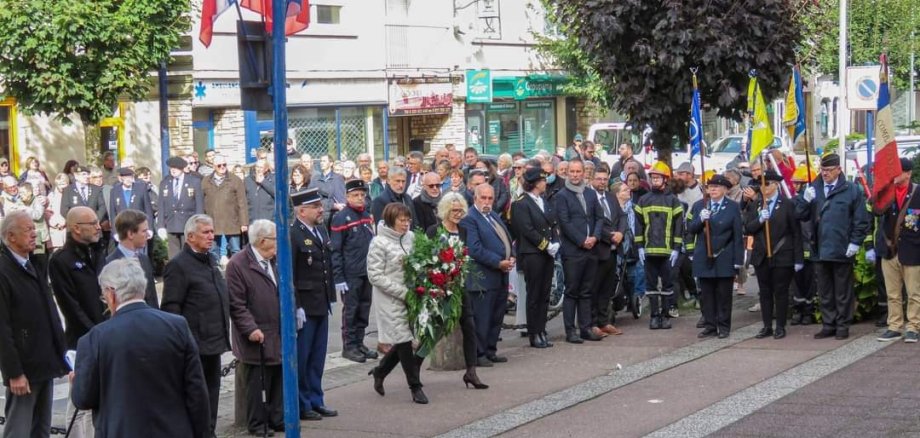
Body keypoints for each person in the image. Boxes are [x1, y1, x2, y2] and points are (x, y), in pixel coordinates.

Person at [71, 258, 210, 438]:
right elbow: (196, 391)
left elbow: (83, 398)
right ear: (142, 289)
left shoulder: (95, 338)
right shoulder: (177, 326)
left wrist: (75, 382)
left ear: (111, 294)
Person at [0, 210, 69, 438]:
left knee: (41, 428)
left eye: (34, 228)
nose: (34, 234)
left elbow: (49, 314)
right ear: (10, 236)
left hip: (45, 361)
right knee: (19, 430)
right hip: (25, 368)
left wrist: (62, 355)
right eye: (28, 229)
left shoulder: (33, 264)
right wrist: (14, 372)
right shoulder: (4, 271)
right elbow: (2, 328)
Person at [161, 214, 231, 435]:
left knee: (212, 392)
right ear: (190, 236)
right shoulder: (178, 266)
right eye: (206, 232)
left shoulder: (209, 260)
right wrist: (183, 342)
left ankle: (209, 431)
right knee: (196, 396)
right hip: (194, 344)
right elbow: (171, 308)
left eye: (212, 231)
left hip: (214, 341)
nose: (212, 236)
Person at [795, 153, 869, 340]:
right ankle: (829, 324)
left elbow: (861, 220)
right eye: (822, 170)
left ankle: (843, 325)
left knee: (843, 291)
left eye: (828, 170)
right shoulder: (814, 188)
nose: (825, 173)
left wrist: (855, 242)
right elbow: (800, 216)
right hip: (819, 247)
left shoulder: (851, 190)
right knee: (825, 291)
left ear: (839, 169)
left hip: (842, 247)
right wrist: (805, 200)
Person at [226, 220, 286, 434]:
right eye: (275, 240)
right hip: (256, 335)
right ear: (262, 241)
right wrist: (250, 328)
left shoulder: (274, 260)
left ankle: (277, 418)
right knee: (258, 383)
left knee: (278, 376)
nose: (278, 244)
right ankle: (258, 424)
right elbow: (236, 304)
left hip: (276, 330)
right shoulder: (238, 264)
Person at [367, 203, 428, 404]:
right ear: (391, 220)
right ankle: (415, 386)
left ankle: (380, 371)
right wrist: (402, 291)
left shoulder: (411, 238)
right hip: (390, 298)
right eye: (402, 220)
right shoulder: (379, 242)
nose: (406, 224)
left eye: (408, 220)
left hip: (412, 295)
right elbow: (374, 275)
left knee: (406, 338)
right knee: (403, 340)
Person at [426, 192, 488, 388]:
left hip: (460, 287)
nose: (457, 213)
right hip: (440, 288)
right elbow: (428, 260)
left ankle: (471, 371)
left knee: (469, 327)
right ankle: (400, 370)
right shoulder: (434, 231)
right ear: (445, 210)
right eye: (453, 210)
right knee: (432, 332)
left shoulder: (463, 231)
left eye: (460, 210)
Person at [290, 188, 338, 420]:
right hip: (305, 306)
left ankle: (316, 398)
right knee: (303, 357)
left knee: (317, 357)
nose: (321, 210)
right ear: (302, 210)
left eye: (320, 205)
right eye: (316, 206)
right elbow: (290, 274)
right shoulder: (293, 234)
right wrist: (296, 305)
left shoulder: (319, 230)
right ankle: (302, 403)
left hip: (321, 303)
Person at [742, 170, 802, 339]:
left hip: (782, 254)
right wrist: (760, 219)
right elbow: (748, 228)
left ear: (776, 185)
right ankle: (767, 325)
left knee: (781, 291)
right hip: (761, 254)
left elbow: (795, 232)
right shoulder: (756, 205)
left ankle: (780, 326)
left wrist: (798, 258)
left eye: (767, 184)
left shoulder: (787, 204)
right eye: (760, 184)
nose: (763, 187)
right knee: (765, 291)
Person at [460, 184, 514, 363]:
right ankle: (479, 353)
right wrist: (498, 262)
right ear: (475, 198)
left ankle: (490, 350)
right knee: (482, 317)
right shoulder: (470, 218)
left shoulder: (492, 215)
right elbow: (474, 248)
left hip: (500, 275)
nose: (487, 202)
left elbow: (506, 238)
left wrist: (511, 256)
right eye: (483, 198)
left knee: (497, 315)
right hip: (483, 276)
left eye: (490, 198)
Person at [686, 174, 743, 338]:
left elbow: (738, 234)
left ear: (725, 189)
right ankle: (710, 325)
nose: (713, 189)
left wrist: (738, 260)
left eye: (717, 187)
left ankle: (724, 326)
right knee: (706, 294)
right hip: (704, 255)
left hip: (724, 254)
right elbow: (690, 229)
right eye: (710, 186)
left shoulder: (732, 207)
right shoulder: (699, 206)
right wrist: (700, 219)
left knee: (724, 294)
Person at [554, 159, 604, 343]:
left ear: (584, 173)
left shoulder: (591, 194)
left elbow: (599, 218)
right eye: (572, 171)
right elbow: (564, 223)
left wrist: (595, 237)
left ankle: (586, 327)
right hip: (574, 250)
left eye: (578, 171)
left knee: (587, 291)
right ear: (567, 173)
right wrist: (582, 240)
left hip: (592, 250)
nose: (575, 175)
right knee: (572, 291)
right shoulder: (562, 195)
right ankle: (570, 330)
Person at [510, 168, 559, 348]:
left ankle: (541, 329)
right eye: (542, 180)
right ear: (535, 183)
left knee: (545, 294)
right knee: (534, 294)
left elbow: (552, 224)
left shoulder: (543, 201)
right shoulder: (521, 203)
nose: (545, 183)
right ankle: (534, 332)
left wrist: (556, 242)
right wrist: (546, 245)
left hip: (547, 254)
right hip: (532, 254)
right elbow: (526, 230)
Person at [331, 180, 378, 363]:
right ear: (347, 197)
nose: (360, 198)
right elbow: (336, 250)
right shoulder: (341, 218)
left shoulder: (366, 215)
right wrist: (339, 277)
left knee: (364, 309)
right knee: (351, 310)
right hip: (350, 273)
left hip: (366, 271)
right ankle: (349, 346)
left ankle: (359, 342)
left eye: (362, 195)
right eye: (355, 195)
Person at [874, 158, 920, 342]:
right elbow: (875, 211)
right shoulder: (888, 193)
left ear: (908, 173)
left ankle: (914, 326)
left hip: (912, 249)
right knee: (892, 292)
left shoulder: (917, 193)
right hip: (889, 249)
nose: (894, 174)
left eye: (898, 171)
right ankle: (894, 325)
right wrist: (880, 189)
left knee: (914, 292)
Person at [49, 206, 107, 349]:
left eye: (98, 223)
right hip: (84, 339)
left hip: (107, 331)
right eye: (93, 223)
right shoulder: (61, 260)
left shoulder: (98, 251)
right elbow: (71, 307)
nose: (98, 227)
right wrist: (95, 332)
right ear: (76, 228)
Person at [635, 161, 684, 328]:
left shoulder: (673, 201)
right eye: (653, 178)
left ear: (666, 180)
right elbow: (639, 225)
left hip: (668, 250)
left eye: (658, 178)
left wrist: (677, 249)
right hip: (649, 250)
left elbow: (679, 227)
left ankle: (666, 315)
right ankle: (654, 316)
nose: (654, 180)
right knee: (651, 285)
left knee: (668, 285)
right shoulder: (643, 200)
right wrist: (640, 246)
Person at [591, 166, 626, 336]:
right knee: (594, 288)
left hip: (613, 251)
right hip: (598, 249)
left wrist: (620, 233)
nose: (602, 182)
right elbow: (592, 222)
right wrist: (609, 236)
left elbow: (622, 216)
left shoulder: (611, 198)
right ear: (592, 180)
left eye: (605, 179)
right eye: (599, 179)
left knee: (607, 288)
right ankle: (592, 323)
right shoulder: (589, 198)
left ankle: (604, 321)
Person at [106, 209, 159, 309]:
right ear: (130, 234)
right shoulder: (110, 265)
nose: (148, 235)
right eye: (144, 231)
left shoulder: (144, 260)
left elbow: (152, 298)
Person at [203, 154, 249, 264]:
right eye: (219, 165)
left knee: (236, 250)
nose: (222, 167)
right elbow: (201, 202)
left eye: (224, 164)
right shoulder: (205, 181)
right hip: (212, 222)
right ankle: (216, 275)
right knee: (213, 251)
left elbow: (242, 202)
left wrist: (244, 223)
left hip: (232, 222)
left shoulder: (235, 180)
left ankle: (238, 274)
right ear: (213, 166)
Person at [158, 156, 205, 258]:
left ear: (182, 168)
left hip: (188, 223)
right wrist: (161, 225)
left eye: (176, 167)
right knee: (174, 256)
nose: (173, 170)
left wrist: (199, 224)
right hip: (171, 222)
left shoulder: (194, 181)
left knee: (189, 254)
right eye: (171, 168)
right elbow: (161, 205)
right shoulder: (165, 183)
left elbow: (199, 205)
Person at [789, 164, 817, 326]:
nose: (796, 186)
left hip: (811, 246)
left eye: (799, 183)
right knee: (797, 282)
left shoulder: (815, 201)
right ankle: (798, 309)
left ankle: (808, 311)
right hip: (797, 247)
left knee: (810, 282)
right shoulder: (795, 201)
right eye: (795, 183)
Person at [108, 167, 155, 233]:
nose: (128, 180)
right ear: (120, 178)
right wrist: (115, 232)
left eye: (130, 177)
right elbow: (113, 213)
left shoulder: (141, 188)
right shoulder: (114, 191)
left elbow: (148, 210)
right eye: (126, 178)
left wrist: (150, 229)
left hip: (139, 228)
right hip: (122, 229)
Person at [312, 155, 347, 222]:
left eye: (324, 161)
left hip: (333, 216)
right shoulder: (315, 179)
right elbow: (313, 200)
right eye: (321, 161)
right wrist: (332, 205)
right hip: (318, 215)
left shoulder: (337, 178)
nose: (322, 163)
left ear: (331, 163)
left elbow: (341, 202)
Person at [47, 173, 71, 251]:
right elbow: (47, 212)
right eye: (60, 184)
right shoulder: (52, 195)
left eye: (64, 184)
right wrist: (53, 222)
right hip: (55, 228)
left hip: (67, 227)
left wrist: (65, 222)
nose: (62, 186)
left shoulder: (71, 195)